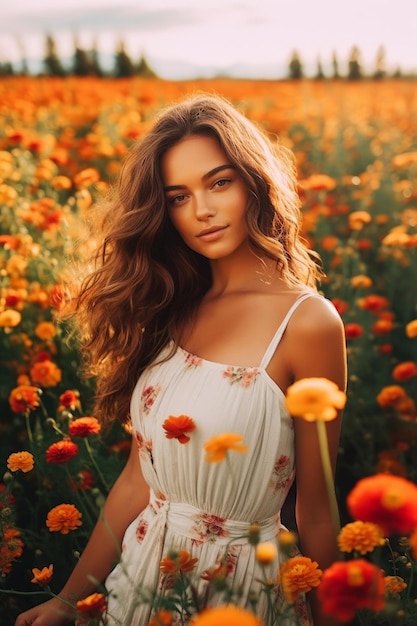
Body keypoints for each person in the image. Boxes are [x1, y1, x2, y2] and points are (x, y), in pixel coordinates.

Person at [15, 93, 347, 626]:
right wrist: (67, 599)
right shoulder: (172, 304)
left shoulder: (308, 324)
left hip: (243, 591)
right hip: (142, 584)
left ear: (253, 181)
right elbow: (136, 481)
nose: (202, 211)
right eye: (177, 197)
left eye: (219, 182)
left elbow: (316, 508)